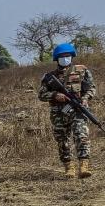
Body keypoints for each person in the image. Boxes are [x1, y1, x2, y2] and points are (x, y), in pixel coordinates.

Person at [39, 42, 97, 178]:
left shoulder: (82, 70)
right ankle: (69, 167)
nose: (65, 59)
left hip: (78, 110)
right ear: (56, 59)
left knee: (81, 136)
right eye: (62, 56)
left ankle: (84, 166)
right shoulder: (49, 77)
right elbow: (41, 95)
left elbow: (91, 88)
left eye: (68, 56)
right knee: (62, 140)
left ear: (72, 57)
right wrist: (54, 95)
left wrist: (85, 98)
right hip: (58, 113)